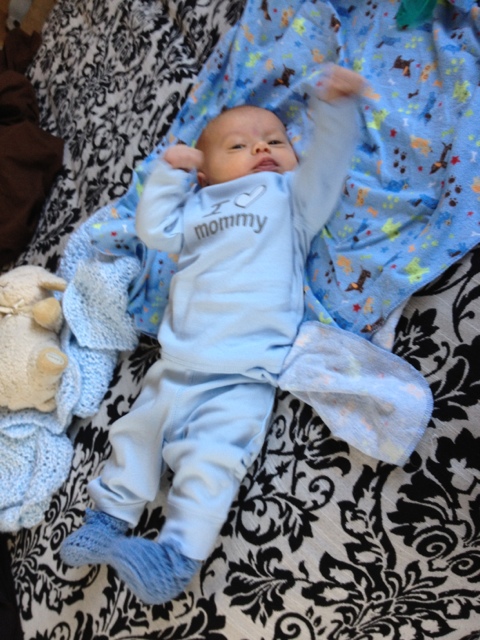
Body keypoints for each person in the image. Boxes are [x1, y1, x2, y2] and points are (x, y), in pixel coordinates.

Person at [60, 64, 365, 605]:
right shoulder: (196, 208)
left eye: (276, 140)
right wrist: (169, 174)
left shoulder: (290, 199)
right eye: (238, 146)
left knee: (212, 462)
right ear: (205, 174)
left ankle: (176, 557)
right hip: (174, 363)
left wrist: (335, 108)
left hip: (242, 374)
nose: (261, 148)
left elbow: (327, 166)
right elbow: (153, 229)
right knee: (136, 435)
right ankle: (107, 518)